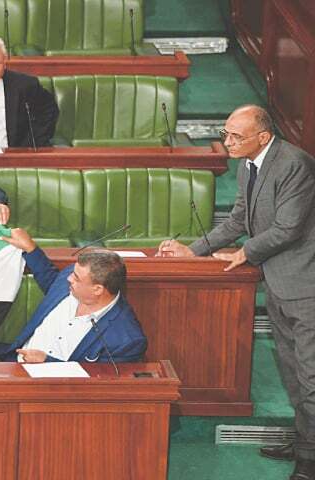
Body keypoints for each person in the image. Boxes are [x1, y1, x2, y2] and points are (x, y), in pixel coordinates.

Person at [157, 105, 315, 478]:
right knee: (292, 372)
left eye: (235, 136)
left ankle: (310, 460)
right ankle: (306, 441)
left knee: (311, 376)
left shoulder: (295, 165)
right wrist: (194, 250)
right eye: (226, 134)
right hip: (279, 283)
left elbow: (288, 228)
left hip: (305, 286)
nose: (227, 142)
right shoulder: (249, 163)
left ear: (263, 137)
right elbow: (239, 218)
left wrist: (246, 251)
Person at [0, 228, 147, 363]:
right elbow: (52, 282)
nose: (69, 278)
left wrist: (47, 361)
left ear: (97, 289)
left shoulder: (127, 340)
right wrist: (30, 248)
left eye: (76, 277)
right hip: (13, 362)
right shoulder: (71, 280)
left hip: (55, 389)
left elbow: (98, 383)